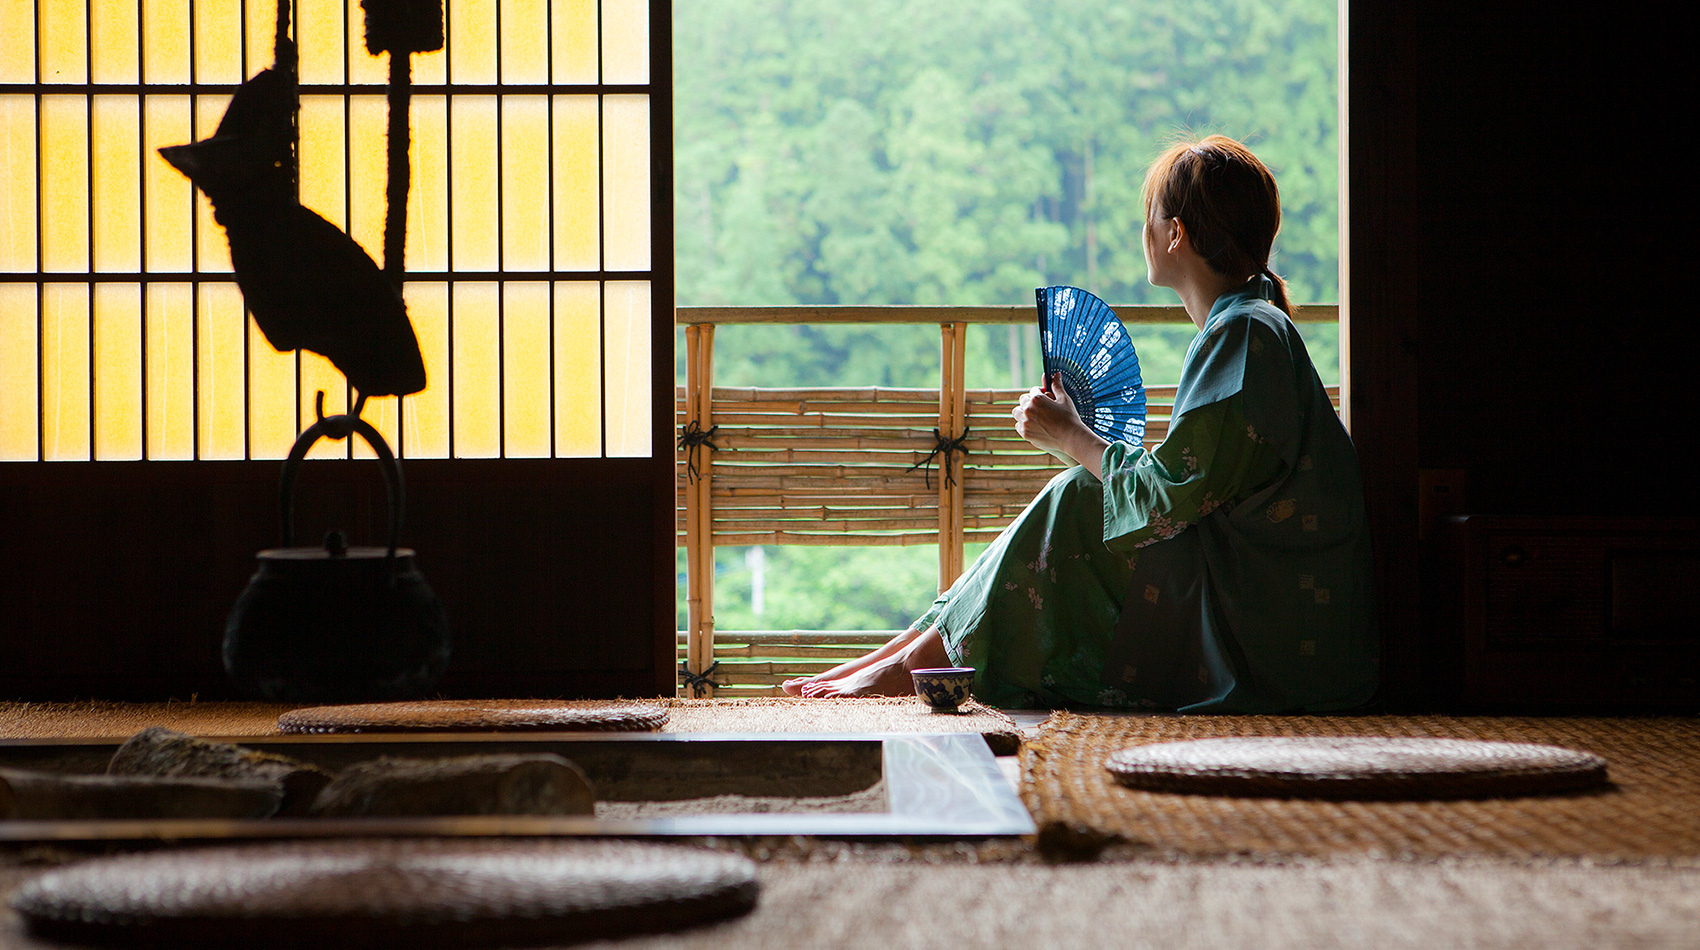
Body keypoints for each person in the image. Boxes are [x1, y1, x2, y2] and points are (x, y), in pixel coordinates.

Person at [783, 135, 1377, 712]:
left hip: (1274, 632)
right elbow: (1184, 485)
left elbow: (1169, 498)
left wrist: (1069, 435)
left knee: (1078, 496)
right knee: (1081, 493)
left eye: (1151, 217)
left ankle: (912, 662)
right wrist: (1072, 437)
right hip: (1270, 603)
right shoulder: (1248, 324)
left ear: (1176, 234)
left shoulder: (1246, 332)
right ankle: (907, 653)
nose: (1143, 232)